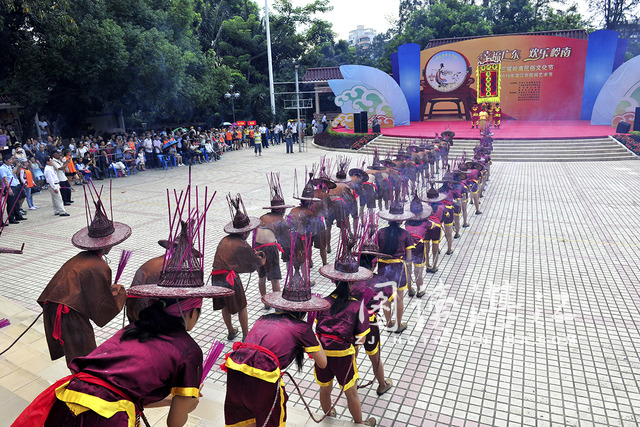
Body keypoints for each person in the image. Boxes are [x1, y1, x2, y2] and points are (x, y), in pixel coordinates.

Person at [222, 244, 329, 427]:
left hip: (236, 373)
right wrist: (314, 337)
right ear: (304, 309)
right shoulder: (301, 328)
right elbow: (323, 363)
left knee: (246, 422)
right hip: (263, 380)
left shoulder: (263, 318)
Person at [37, 190, 131, 366]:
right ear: (107, 243)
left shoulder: (82, 257)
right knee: (83, 354)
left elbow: (92, 294)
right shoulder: (99, 266)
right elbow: (102, 305)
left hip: (57, 306)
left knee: (76, 351)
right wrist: (120, 294)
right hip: (68, 312)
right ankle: (81, 384)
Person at [316, 237, 376, 426]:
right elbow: (361, 337)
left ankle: (328, 413)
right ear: (352, 283)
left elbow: (318, 327)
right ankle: (359, 422)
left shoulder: (323, 302)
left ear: (334, 281)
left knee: (325, 389)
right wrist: (355, 352)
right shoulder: (357, 306)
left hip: (323, 353)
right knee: (351, 392)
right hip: (343, 354)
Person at [211, 194, 266, 341]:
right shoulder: (241, 243)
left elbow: (238, 257)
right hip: (229, 277)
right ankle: (245, 335)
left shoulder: (225, 239)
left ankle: (230, 330)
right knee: (242, 305)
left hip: (216, 277)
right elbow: (253, 261)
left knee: (224, 305)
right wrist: (261, 260)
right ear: (245, 231)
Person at [376, 191, 414, 333]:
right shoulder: (405, 234)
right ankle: (398, 324)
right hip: (398, 268)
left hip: (383, 267)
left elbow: (375, 251)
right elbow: (409, 259)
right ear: (401, 220)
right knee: (399, 298)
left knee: (385, 296)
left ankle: (388, 323)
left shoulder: (380, 232)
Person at [256, 173, 293, 308]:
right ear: (281, 210)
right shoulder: (280, 220)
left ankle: (265, 302)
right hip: (269, 249)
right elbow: (286, 241)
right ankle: (277, 304)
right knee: (274, 278)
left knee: (262, 277)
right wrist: (288, 253)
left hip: (256, 247)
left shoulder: (263, 216)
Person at [403, 193, 432, 297]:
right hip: (419, 247)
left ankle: (410, 289)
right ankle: (420, 289)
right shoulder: (426, 223)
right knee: (418, 270)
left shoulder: (407, 223)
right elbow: (433, 226)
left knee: (408, 269)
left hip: (407, 246)